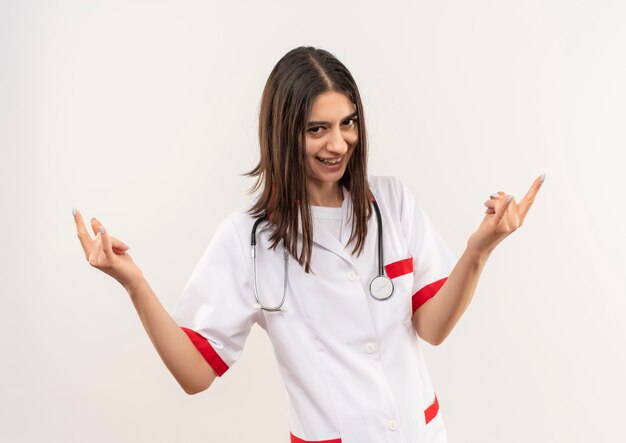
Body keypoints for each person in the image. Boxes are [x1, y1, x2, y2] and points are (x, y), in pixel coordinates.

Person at [73, 46, 544, 443]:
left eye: (348, 123)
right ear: (284, 133)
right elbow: (196, 374)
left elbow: (433, 327)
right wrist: (133, 283)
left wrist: (480, 249)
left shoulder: (391, 203)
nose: (338, 144)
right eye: (317, 128)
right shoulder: (248, 240)